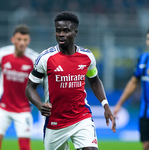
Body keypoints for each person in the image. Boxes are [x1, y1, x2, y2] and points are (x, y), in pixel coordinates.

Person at [25, 11, 116, 150]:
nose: (61, 34)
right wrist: (39, 105)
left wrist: (105, 105)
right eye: (58, 30)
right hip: (55, 121)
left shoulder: (87, 57)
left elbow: (94, 80)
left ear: (75, 32)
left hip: (81, 117)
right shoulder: (45, 58)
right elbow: (30, 87)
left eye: (66, 31)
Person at [0, 25, 38, 150]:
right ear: (13, 40)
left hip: (23, 109)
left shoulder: (34, 59)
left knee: (25, 148)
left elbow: (46, 81)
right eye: (19, 39)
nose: (22, 43)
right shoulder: (3, 54)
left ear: (29, 41)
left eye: (25, 40)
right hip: (2, 106)